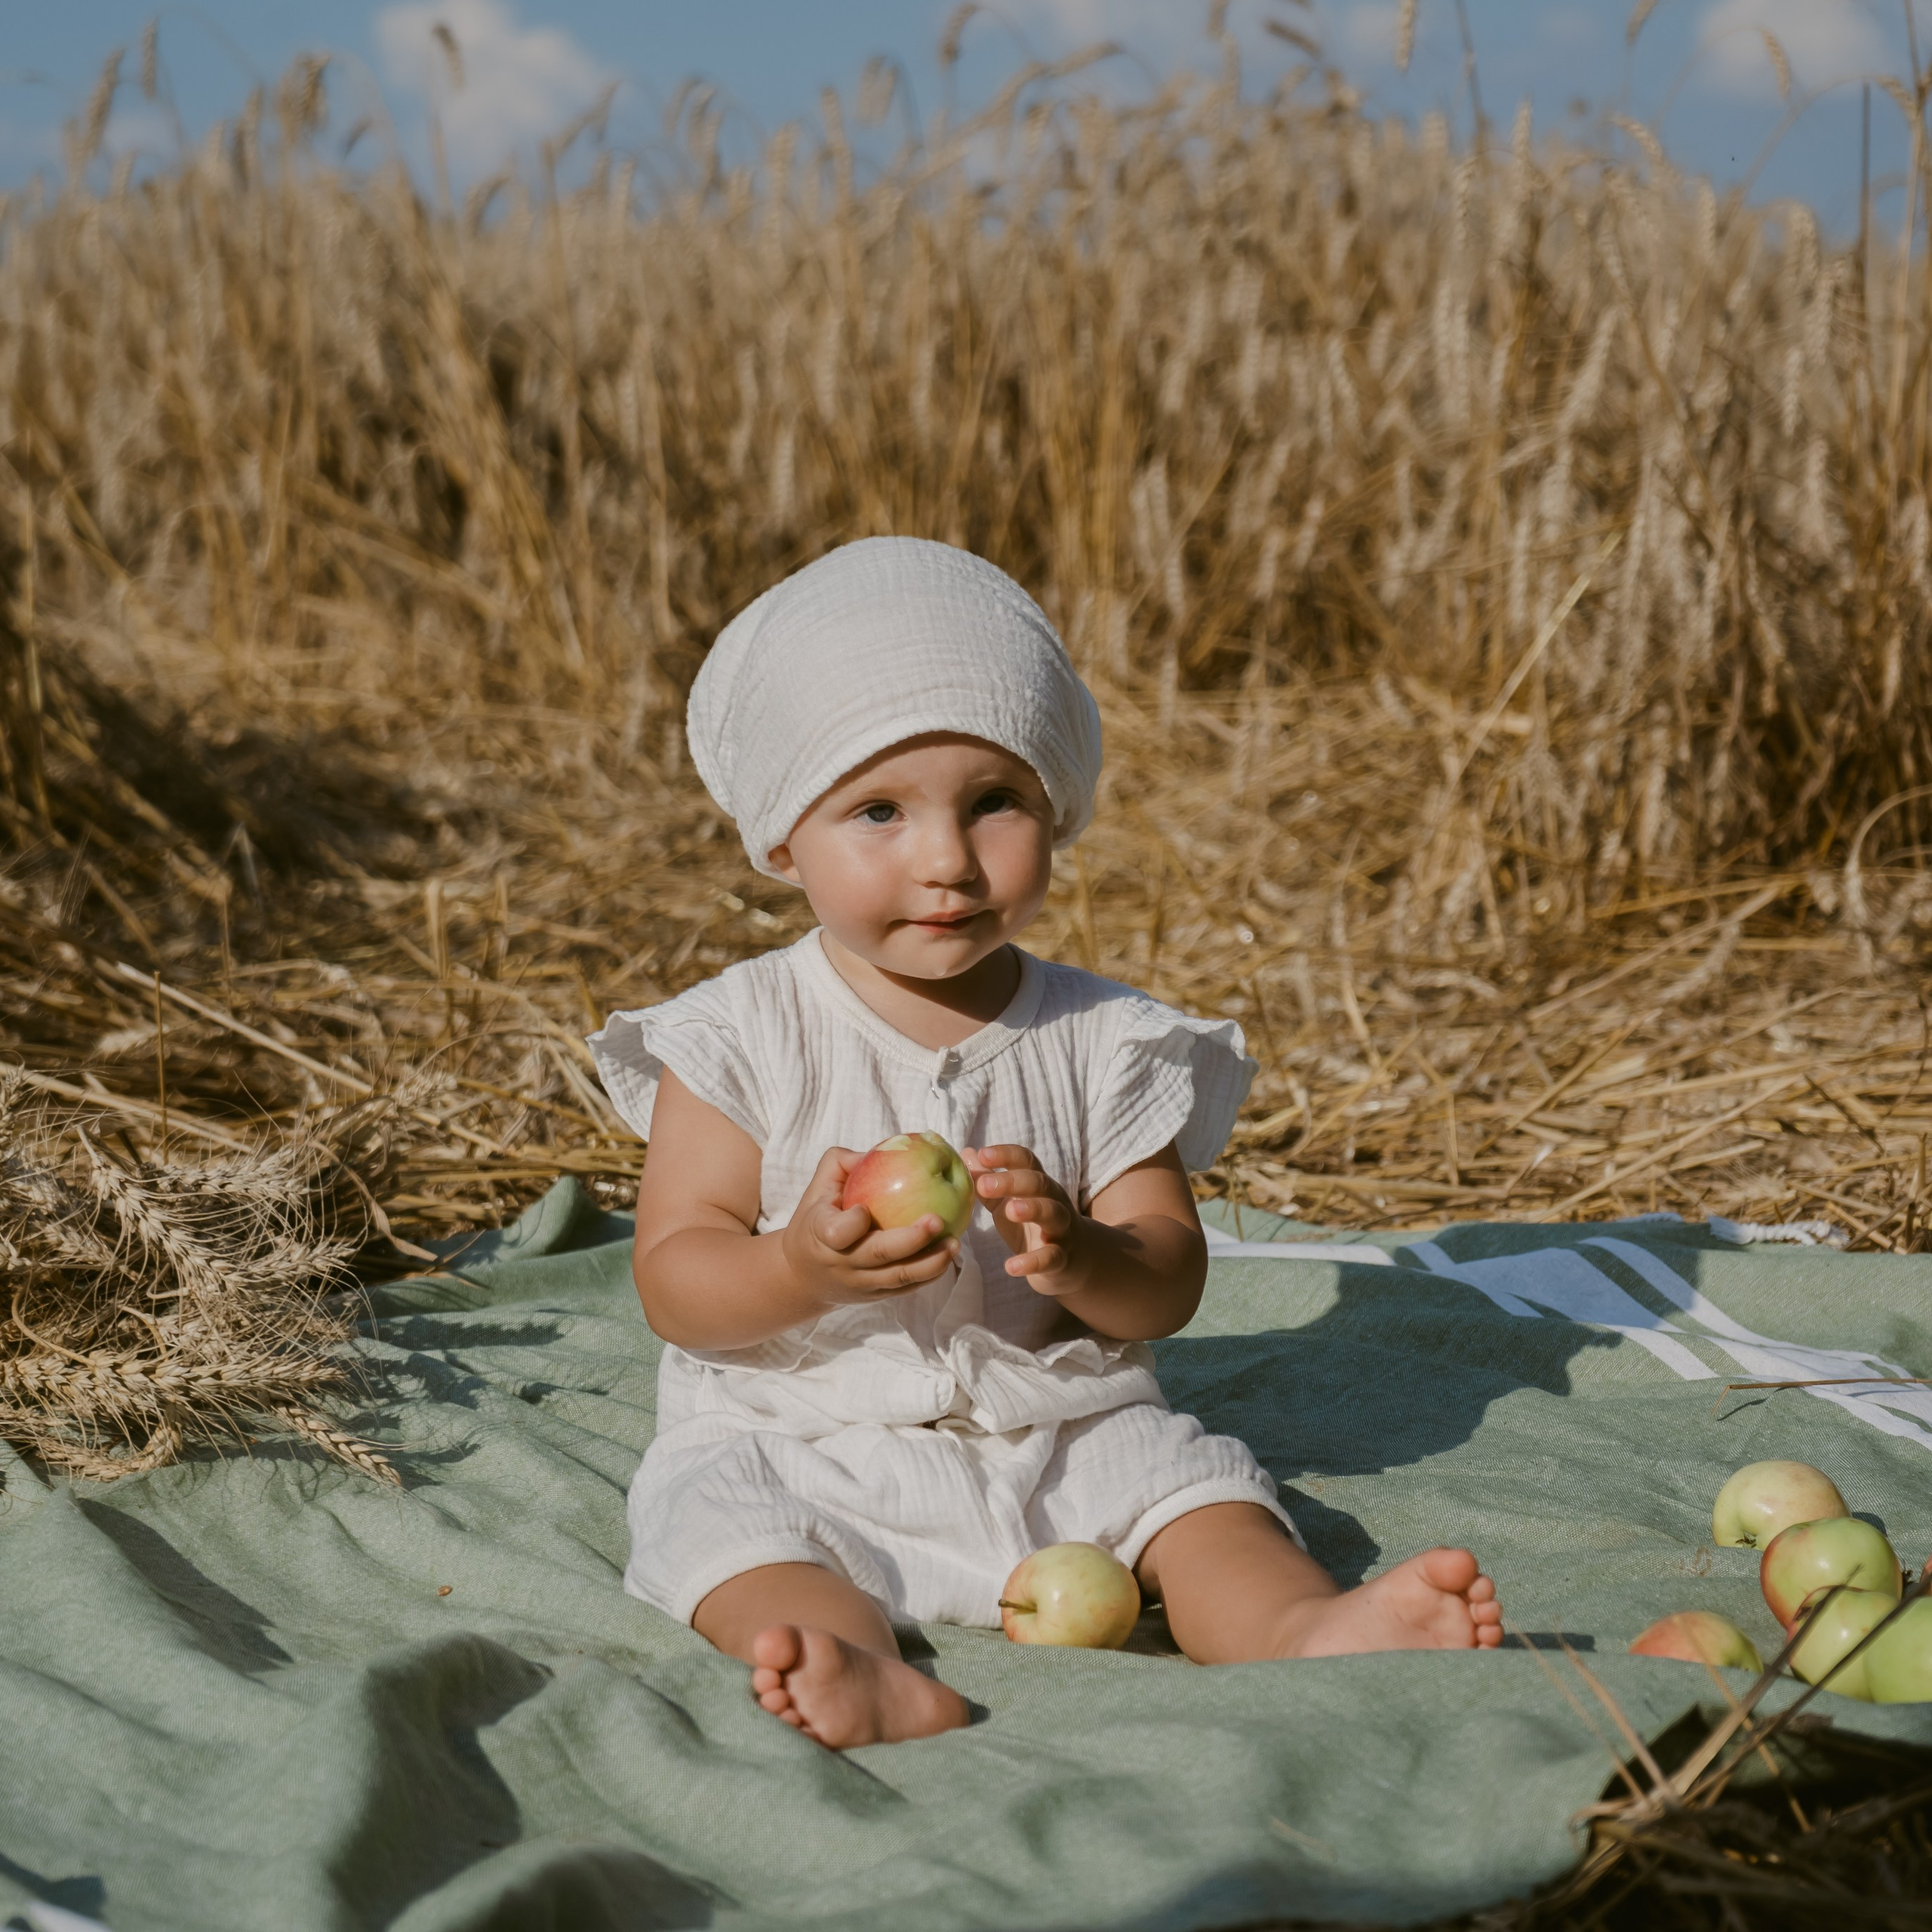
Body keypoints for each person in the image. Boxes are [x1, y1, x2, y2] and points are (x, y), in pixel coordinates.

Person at [589, 538, 1503, 1750]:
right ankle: (855, 1663)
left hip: (1059, 1425)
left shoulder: (1104, 1038)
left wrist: (1082, 1257)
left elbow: (1166, 1278)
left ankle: (1302, 1630)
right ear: (779, 838)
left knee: (1202, 1500)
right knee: (723, 1530)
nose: (948, 860)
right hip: (803, 1429)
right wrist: (796, 1272)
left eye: (995, 803)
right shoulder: (739, 1035)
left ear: (1056, 803)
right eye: (878, 811)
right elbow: (676, 1280)